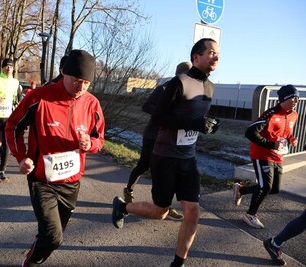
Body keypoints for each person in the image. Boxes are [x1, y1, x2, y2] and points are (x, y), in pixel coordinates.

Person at [112, 38, 220, 267]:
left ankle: (177, 263)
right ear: (196, 57)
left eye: (217, 53)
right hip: (165, 156)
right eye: (211, 52)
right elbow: (158, 117)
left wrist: (208, 124)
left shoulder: (210, 87)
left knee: (193, 211)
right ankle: (122, 206)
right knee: (161, 211)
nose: (216, 56)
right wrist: (193, 123)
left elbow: (196, 118)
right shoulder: (178, 82)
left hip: (188, 158)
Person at [5, 49, 105, 266]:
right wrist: (21, 157)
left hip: (71, 183)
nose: (81, 88)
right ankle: (29, 263)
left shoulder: (92, 104)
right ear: (64, 74)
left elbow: (99, 138)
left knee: (52, 237)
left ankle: (39, 246)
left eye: (86, 83)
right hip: (43, 180)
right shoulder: (39, 97)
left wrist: (91, 143)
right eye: (77, 81)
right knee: (53, 237)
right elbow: (12, 127)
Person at [123, 61, 192, 221]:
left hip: (172, 138)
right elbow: (146, 106)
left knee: (165, 172)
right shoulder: (164, 88)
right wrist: (165, 116)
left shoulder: (187, 92)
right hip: (153, 135)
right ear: (181, 74)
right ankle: (128, 190)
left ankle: (164, 206)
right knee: (144, 165)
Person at [233, 84, 299, 229]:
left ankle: (241, 190)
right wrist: (271, 144)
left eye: (298, 98)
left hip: (278, 155)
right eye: (293, 97)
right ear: (284, 99)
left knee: (274, 189)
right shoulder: (271, 114)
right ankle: (250, 215)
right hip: (261, 153)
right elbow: (250, 132)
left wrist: (291, 139)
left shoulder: (294, 114)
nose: (296, 100)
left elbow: (285, 133)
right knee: (265, 186)